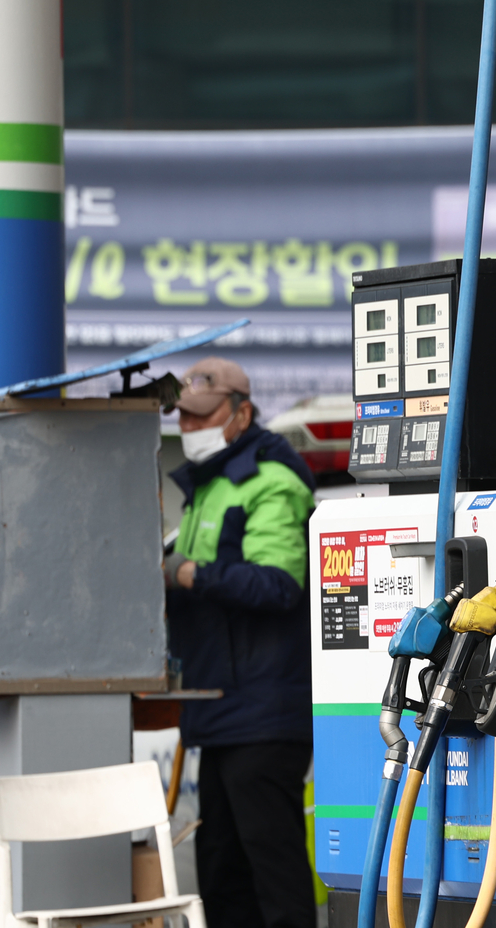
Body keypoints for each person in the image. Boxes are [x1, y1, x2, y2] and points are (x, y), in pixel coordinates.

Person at [163, 357, 318, 928]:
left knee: (271, 874)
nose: (189, 425)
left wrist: (186, 575)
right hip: (221, 709)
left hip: (264, 711)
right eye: (182, 415)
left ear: (241, 413)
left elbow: (278, 585)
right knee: (222, 874)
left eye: (201, 414)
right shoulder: (208, 483)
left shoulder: (270, 481)